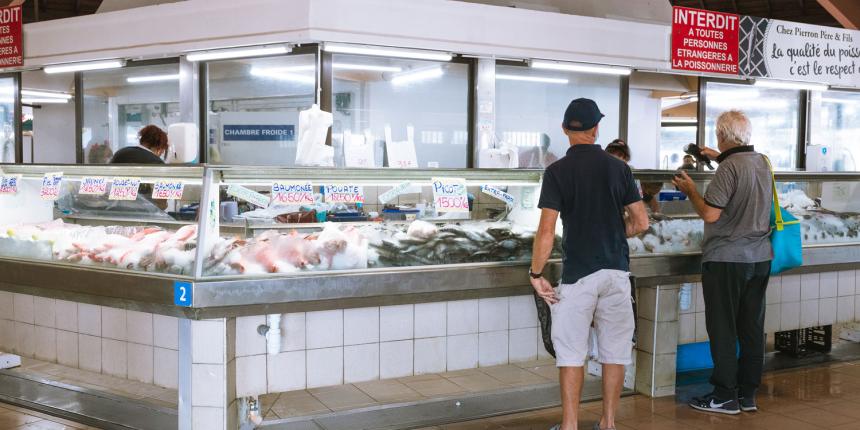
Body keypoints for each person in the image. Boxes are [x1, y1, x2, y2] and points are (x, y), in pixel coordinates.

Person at [530, 98, 649, 430]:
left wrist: (536, 273)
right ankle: (608, 423)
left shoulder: (556, 172)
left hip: (579, 274)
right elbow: (641, 222)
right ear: (597, 129)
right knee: (615, 351)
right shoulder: (620, 168)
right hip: (615, 273)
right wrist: (613, 230)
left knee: (570, 353)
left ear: (566, 131)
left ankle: (570, 426)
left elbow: (546, 231)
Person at [672, 110, 772, 415]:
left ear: (721, 135)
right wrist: (716, 156)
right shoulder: (762, 163)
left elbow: (711, 214)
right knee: (751, 328)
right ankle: (747, 394)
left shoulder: (727, 169)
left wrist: (690, 191)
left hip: (727, 259)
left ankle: (724, 395)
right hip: (760, 258)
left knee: (723, 328)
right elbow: (738, 166)